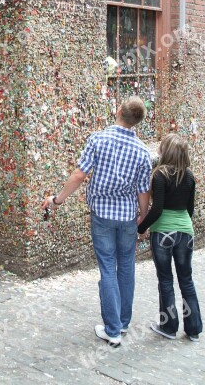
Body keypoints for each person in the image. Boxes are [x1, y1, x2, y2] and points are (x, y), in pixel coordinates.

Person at [42, 96, 151, 347]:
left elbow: (80, 175)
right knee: (126, 267)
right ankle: (122, 323)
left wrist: (57, 200)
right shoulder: (143, 152)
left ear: (119, 110)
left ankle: (112, 329)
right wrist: (142, 218)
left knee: (108, 268)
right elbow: (143, 191)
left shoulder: (98, 140)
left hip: (102, 215)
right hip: (126, 217)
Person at [137, 133, 203, 342]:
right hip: (185, 232)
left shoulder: (159, 175)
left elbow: (156, 209)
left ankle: (169, 326)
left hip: (163, 232)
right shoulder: (190, 176)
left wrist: (141, 228)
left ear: (167, 151)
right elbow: (190, 209)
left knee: (166, 280)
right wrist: (180, 224)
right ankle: (193, 329)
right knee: (186, 280)